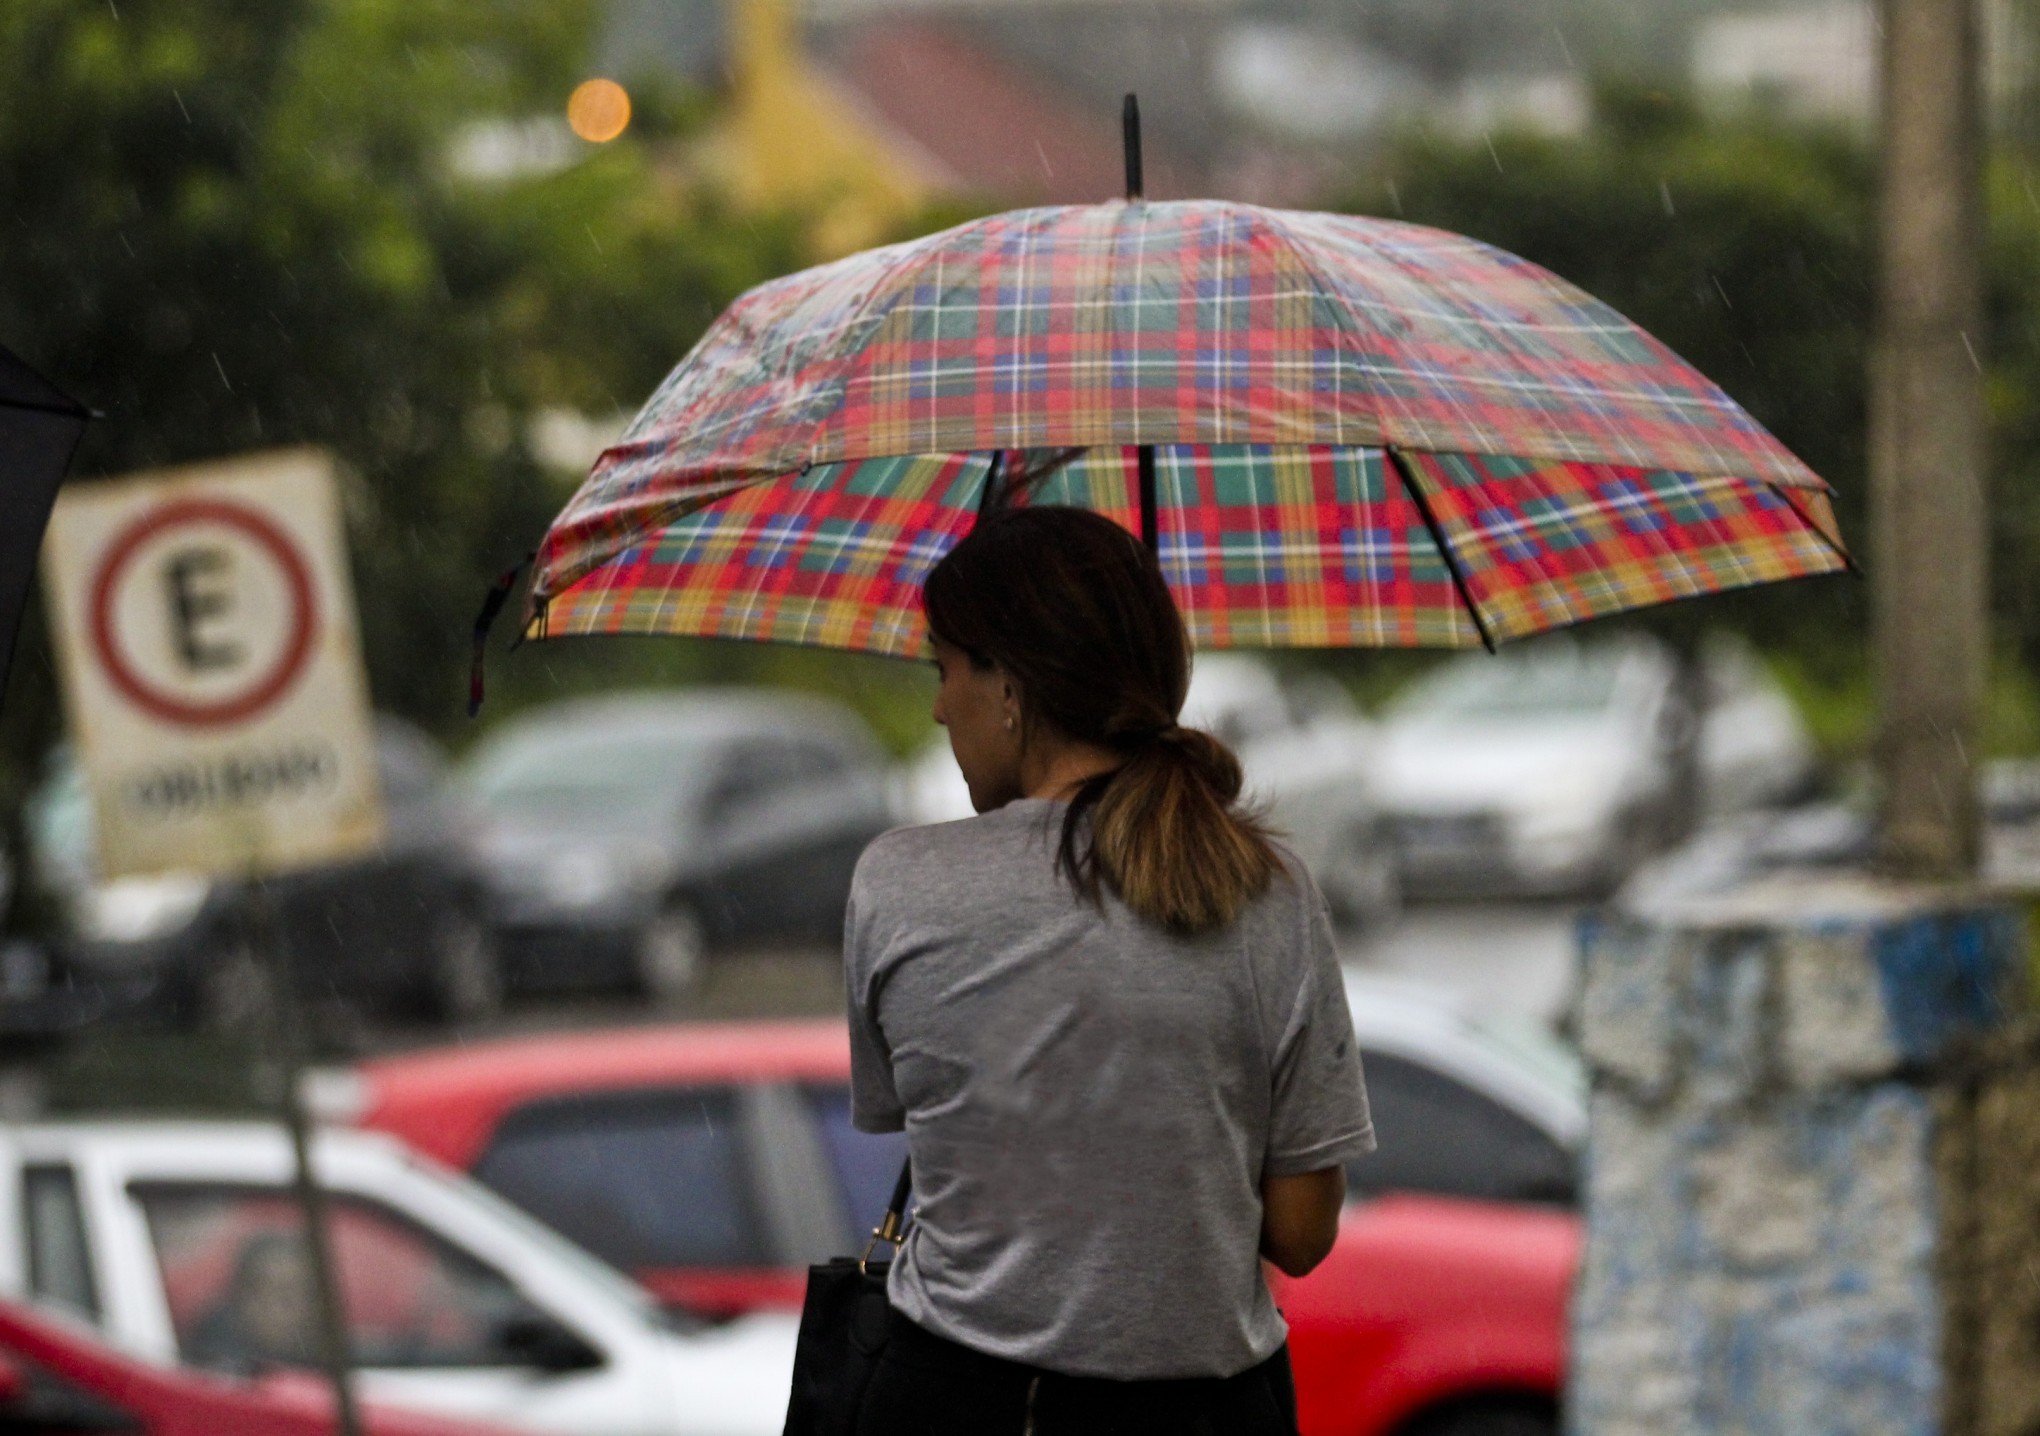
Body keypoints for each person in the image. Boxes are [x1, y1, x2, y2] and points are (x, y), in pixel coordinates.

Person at [844, 504, 1375, 1436]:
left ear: (1008, 685)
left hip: (953, 1405)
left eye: (944, 669)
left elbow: (920, 1124)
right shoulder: (1267, 888)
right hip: (1203, 1416)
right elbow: (1302, 1232)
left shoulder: (899, 882)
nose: (936, 705)